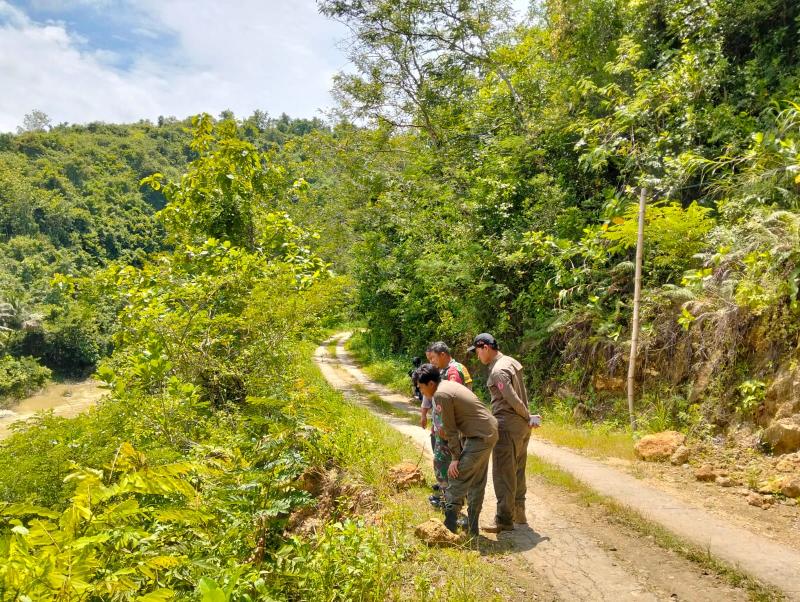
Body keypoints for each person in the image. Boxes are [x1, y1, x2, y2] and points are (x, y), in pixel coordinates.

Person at [468, 333, 541, 532]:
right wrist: (527, 418)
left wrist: (527, 416)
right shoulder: (510, 361)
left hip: (508, 426)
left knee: (503, 473)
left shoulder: (498, 371)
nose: (477, 356)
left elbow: (512, 398)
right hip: (521, 427)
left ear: (485, 347)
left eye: (477, 351)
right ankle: (519, 513)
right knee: (518, 470)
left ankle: (504, 519)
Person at [415, 363, 498, 536]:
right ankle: (473, 529)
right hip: (485, 432)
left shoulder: (441, 394)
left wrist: (455, 458)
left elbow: (450, 430)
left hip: (480, 436)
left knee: (457, 476)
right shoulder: (446, 386)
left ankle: (449, 528)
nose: (421, 392)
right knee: (476, 481)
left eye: (421, 387)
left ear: (431, 383)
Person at [423, 342, 473, 507]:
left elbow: (453, 401)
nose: (431, 362)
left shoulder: (453, 371)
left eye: (433, 358)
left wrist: (446, 427)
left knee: (445, 463)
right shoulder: (448, 369)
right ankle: (452, 499)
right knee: (447, 463)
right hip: (448, 426)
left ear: (443, 355)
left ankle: (451, 502)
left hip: (451, 428)